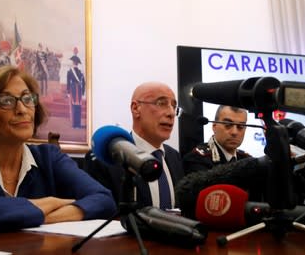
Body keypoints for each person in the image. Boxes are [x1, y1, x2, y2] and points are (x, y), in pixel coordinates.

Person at [0, 66, 116, 237]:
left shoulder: (49, 158)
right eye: (6, 101)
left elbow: (104, 200)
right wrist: (52, 202)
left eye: (27, 99)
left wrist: (6, 210)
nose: (22, 109)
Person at [84, 82, 185, 210]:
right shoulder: (107, 156)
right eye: (161, 103)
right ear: (136, 108)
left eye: (174, 106)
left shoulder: (174, 157)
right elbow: (100, 212)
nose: (171, 113)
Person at [183, 105, 251, 175]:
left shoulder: (247, 160)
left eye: (240, 126)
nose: (234, 132)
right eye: (228, 124)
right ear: (214, 126)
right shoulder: (197, 159)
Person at [66, 49, 85, 128]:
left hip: (74, 89)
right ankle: (77, 124)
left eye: (75, 62)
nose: (75, 63)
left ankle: (76, 124)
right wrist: (83, 92)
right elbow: (83, 83)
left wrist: (68, 92)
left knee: (76, 107)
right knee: (76, 107)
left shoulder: (73, 72)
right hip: (77, 90)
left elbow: (68, 82)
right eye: (75, 62)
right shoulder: (77, 72)